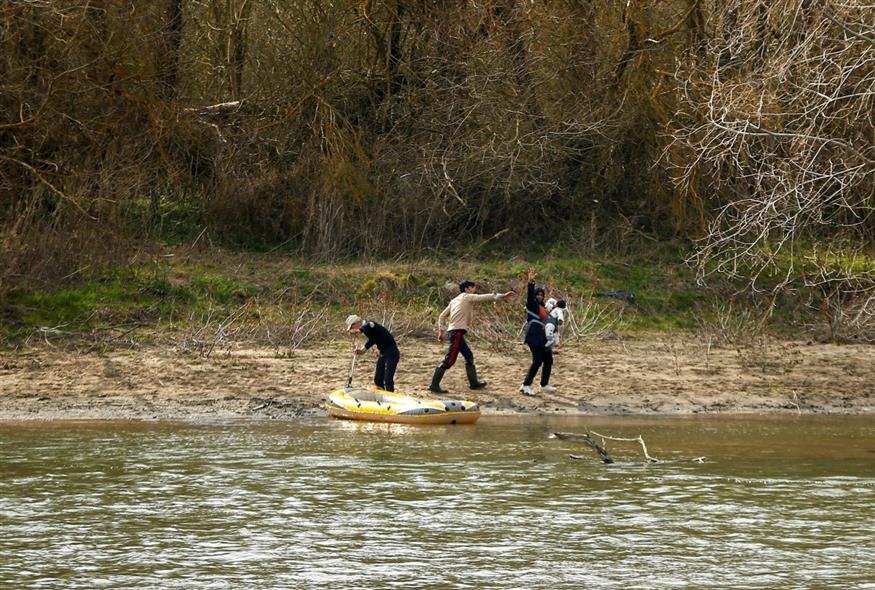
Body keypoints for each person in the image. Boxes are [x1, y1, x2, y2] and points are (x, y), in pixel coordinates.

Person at [429, 280, 516, 394]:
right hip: (457, 332)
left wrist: (441, 331)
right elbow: (483, 297)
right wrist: (502, 296)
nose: (474, 290)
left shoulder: (454, 300)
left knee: (469, 356)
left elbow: (441, 316)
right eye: (472, 288)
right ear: (467, 289)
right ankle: (434, 385)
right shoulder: (466, 297)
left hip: (455, 332)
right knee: (449, 360)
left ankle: (474, 383)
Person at [520, 268, 554, 396]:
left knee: (549, 359)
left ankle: (544, 384)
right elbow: (529, 295)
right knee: (538, 360)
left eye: (541, 294)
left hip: (542, 335)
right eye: (537, 294)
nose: (539, 296)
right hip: (533, 334)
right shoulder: (531, 304)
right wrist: (530, 282)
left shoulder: (543, 308)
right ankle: (525, 385)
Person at [346, 315, 400, 392]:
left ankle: (390, 397)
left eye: (352, 327)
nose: (353, 329)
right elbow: (373, 340)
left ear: (356, 323)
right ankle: (382, 395)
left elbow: (368, 326)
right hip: (383, 353)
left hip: (392, 352)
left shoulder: (370, 324)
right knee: (377, 379)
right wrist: (362, 350)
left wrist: (358, 331)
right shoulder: (368, 330)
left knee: (388, 379)